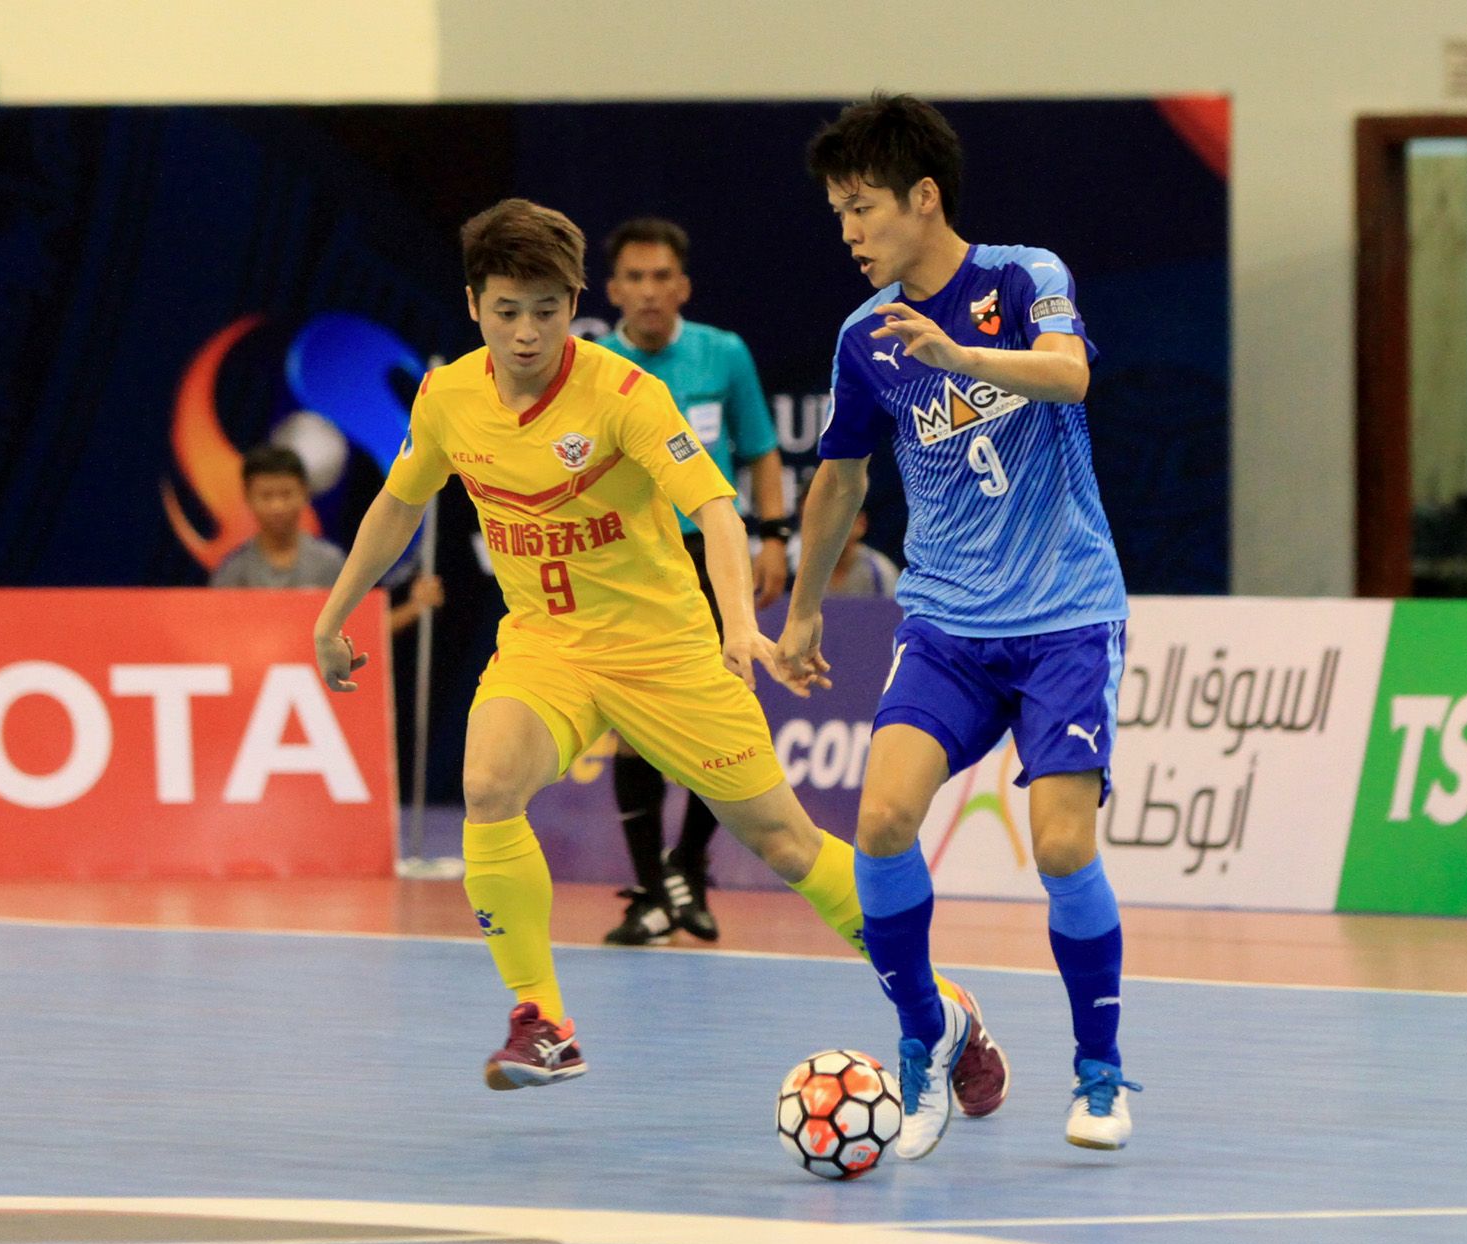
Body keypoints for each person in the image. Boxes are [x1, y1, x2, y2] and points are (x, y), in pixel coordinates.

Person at [312, 198, 1006, 1126]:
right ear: (475, 304)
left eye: (548, 310)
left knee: (788, 845)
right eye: (509, 309)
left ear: (574, 306)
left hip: (664, 653)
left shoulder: (624, 394)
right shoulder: (446, 399)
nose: (528, 332)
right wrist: (336, 611)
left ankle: (945, 1008)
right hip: (546, 646)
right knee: (486, 785)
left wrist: (734, 623)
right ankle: (543, 1021)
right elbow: (399, 506)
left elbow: (716, 509)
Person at [778, 94, 1139, 1154]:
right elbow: (837, 483)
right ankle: (927, 1036)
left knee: (1061, 843)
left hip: (1064, 612)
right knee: (879, 820)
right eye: (836, 212)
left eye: (861, 208)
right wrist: (800, 612)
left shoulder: (1027, 277)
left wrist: (959, 357)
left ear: (922, 198)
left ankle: (1101, 1075)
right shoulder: (863, 340)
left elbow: (1070, 376)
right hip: (944, 621)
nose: (847, 232)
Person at [595, 217, 790, 947]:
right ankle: (649, 892)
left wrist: (773, 537)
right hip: (634, 569)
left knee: (724, 717)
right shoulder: (594, 365)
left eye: (660, 277)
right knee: (634, 733)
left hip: (713, 556)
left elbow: (764, 452)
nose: (648, 292)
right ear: (613, 290)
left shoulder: (723, 354)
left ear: (682, 285)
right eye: (634, 279)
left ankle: (690, 865)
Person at [213, 444, 443, 629]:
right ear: (248, 497)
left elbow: (362, 630)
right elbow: (213, 636)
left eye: (286, 494)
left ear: (305, 493)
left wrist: (415, 607)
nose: (277, 506)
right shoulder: (233, 571)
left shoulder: (331, 562)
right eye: (266, 496)